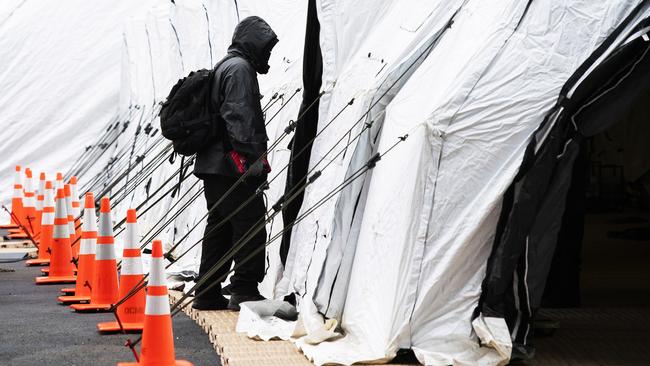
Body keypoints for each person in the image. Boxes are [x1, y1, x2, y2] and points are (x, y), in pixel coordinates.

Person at [192, 16, 278, 311]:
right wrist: (256, 162)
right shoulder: (240, 69)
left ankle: (206, 291)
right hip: (231, 166)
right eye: (266, 48)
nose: (268, 55)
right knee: (250, 223)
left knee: (221, 225)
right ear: (253, 43)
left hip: (212, 166)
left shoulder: (225, 65)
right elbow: (241, 120)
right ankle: (244, 289)